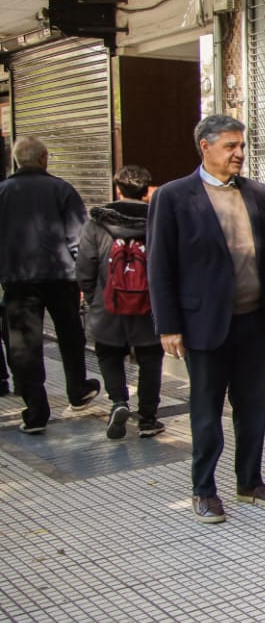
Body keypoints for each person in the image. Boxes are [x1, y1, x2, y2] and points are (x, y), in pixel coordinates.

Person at [147, 115, 265, 524]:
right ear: (205, 147)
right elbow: (160, 265)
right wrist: (168, 324)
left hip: (252, 321)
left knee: (254, 407)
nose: (239, 154)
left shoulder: (257, 194)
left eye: (241, 146)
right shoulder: (173, 197)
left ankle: (250, 482)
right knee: (206, 411)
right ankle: (204, 489)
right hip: (203, 323)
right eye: (230, 146)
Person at [0, 137, 101, 433]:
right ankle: (78, 389)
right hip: (61, 277)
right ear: (44, 158)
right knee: (70, 335)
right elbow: (80, 239)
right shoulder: (62, 190)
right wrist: (84, 275)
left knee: (23, 346)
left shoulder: (2, 192)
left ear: (18, 161)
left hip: (18, 281)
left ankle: (35, 410)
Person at [75, 164, 165, 440]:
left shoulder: (96, 224)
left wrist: (94, 298)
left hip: (109, 303)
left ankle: (119, 402)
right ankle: (148, 419)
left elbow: (85, 266)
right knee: (150, 358)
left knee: (108, 353)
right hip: (149, 306)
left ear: (118, 189)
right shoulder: (158, 221)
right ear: (147, 191)